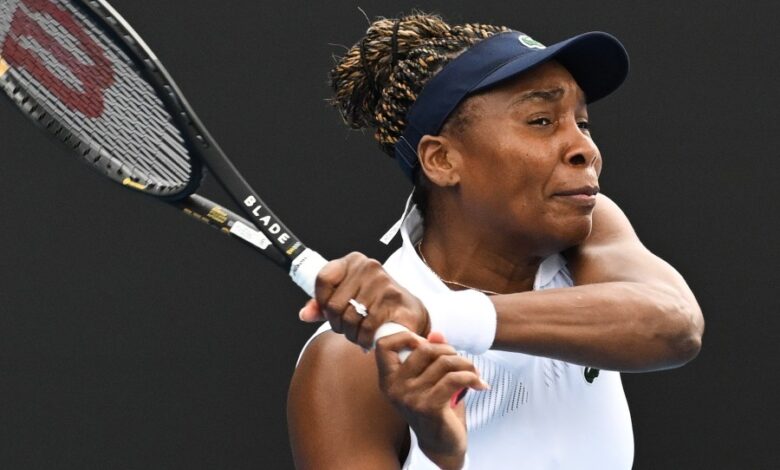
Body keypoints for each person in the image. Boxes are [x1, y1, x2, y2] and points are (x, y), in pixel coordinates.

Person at [288, 13, 703, 470]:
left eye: (582, 123)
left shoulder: (589, 228)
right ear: (442, 160)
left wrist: (434, 316)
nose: (586, 149)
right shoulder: (348, 364)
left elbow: (676, 326)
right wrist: (445, 457)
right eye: (542, 120)